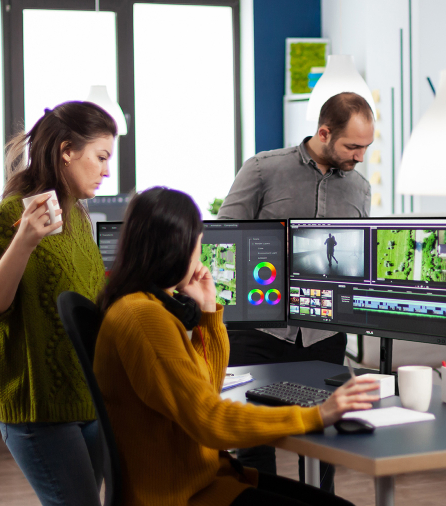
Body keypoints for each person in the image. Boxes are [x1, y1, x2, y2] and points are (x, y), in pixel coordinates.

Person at [93, 187, 379, 506]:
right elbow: (211, 420)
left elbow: (206, 389)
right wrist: (317, 415)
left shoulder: (139, 305)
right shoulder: (145, 318)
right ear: (177, 249)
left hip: (205, 480)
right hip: (184, 495)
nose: (198, 257)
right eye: (197, 247)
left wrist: (208, 312)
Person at [0, 101, 117, 506]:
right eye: (101, 157)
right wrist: (24, 241)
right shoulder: (12, 215)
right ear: (67, 150)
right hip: (37, 408)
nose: (107, 170)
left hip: (85, 397)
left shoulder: (79, 217)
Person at [217, 91, 374, 489]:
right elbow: (222, 240)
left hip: (324, 331)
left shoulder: (360, 189)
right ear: (324, 133)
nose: (360, 157)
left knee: (325, 436)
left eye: (366, 147)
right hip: (259, 328)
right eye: (353, 146)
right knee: (254, 439)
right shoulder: (263, 169)